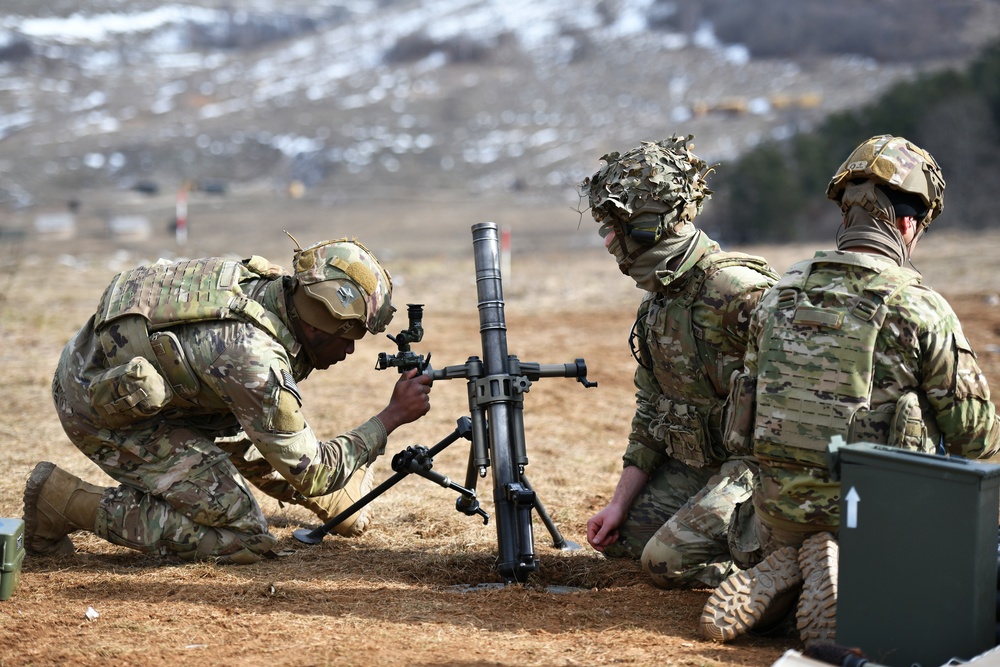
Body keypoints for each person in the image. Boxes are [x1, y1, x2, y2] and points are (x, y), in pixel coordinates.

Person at [700, 135, 1000, 646]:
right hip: (875, 525)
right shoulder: (920, 307)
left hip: (773, 519)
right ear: (907, 224)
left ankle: (790, 567)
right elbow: (975, 436)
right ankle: (841, 565)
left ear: (846, 218)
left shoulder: (777, 296)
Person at [22, 236, 433, 564]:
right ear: (323, 326)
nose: (350, 352)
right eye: (350, 337)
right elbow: (315, 470)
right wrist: (392, 416)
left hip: (97, 364)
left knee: (254, 417)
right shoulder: (253, 360)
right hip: (100, 410)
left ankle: (331, 501)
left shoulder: (272, 289)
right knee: (243, 537)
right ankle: (62, 502)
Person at [580, 136, 779, 589]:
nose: (610, 241)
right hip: (698, 467)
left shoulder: (739, 292)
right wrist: (618, 504)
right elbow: (651, 414)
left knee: (665, 562)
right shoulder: (657, 306)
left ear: (652, 225)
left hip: (757, 471)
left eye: (619, 227)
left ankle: (783, 572)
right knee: (627, 542)